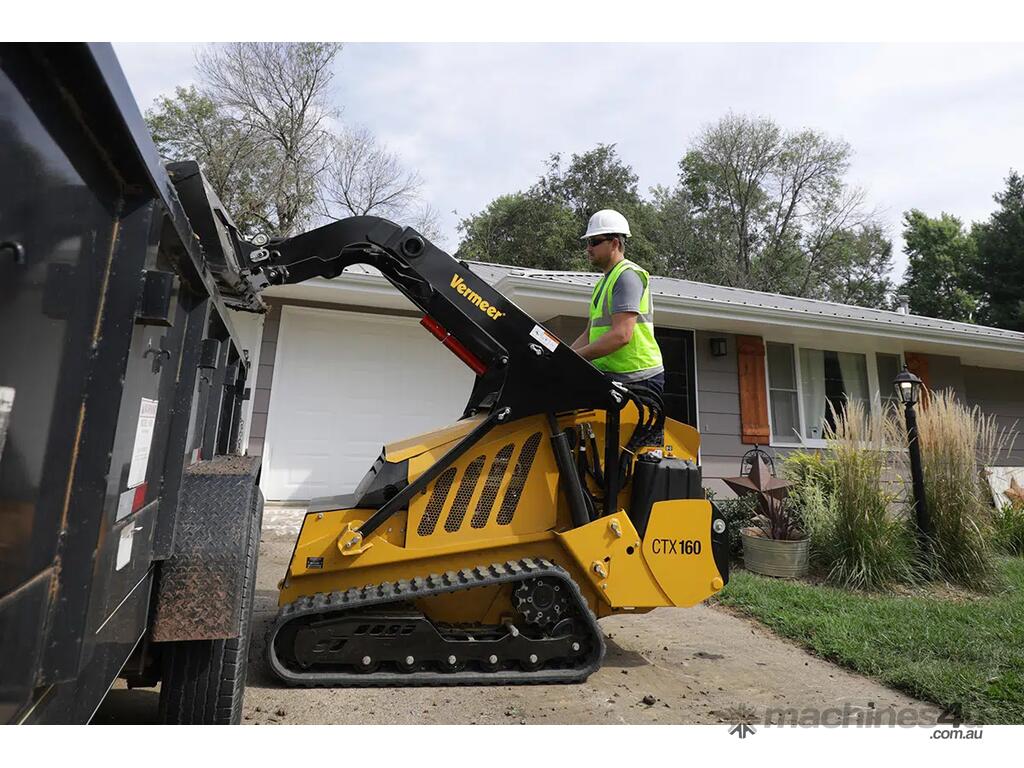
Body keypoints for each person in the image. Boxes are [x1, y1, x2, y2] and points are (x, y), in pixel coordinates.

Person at [571, 209, 664, 397]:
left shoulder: (626, 277)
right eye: (588, 242)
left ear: (614, 243)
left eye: (594, 242)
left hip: (638, 379)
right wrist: (563, 356)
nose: (588, 248)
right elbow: (589, 334)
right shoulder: (603, 283)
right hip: (614, 378)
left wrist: (576, 358)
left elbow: (621, 335)